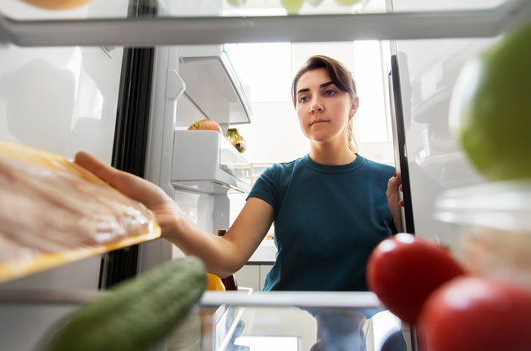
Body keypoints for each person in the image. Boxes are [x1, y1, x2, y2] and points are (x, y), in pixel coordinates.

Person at [74, 55, 402, 292]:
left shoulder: (389, 182)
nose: (314, 104)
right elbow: (227, 257)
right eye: (304, 97)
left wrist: (401, 223)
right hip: (283, 327)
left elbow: (414, 267)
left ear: (354, 105)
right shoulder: (278, 179)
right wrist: (172, 221)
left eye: (329, 92)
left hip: (363, 334)